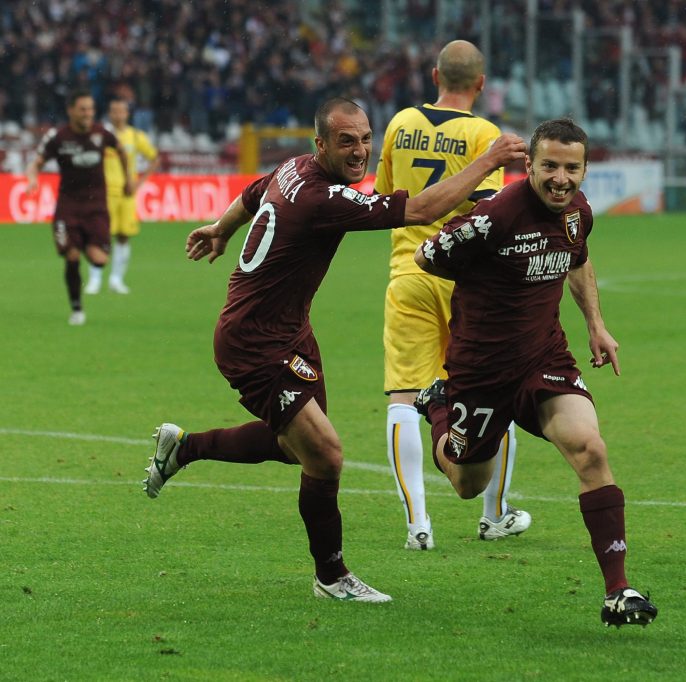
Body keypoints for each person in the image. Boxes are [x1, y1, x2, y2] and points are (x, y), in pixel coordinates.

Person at [142, 97, 525, 603]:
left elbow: (253, 193)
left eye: (366, 138)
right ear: (319, 143)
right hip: (254, 343)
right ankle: (332, 576)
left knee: (293, 446)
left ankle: (183, 448)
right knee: (325, 457)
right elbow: (425, 209)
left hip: (290, 331)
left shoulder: (293, 169)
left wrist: (220, 228)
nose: (360, 150)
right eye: (347, 141)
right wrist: (489, 160)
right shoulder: (323, 199)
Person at [412, 118, 658, 628]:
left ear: (585, 169)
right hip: (480, 369)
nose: (561, 179)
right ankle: (438, 407)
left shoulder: (578, 214)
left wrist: (596, 325)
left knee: (590, 449)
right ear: (531, 165)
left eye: (572, 168)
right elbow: (426, 254)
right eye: (550, 166)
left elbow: (578, 259)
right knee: (465, 481)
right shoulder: (497, 215)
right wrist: (482, 270)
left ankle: (619, 590)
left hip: (545, 358)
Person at [375, 39, 530, 551]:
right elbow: (489, 215)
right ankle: (495, 515)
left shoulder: (400, 124)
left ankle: (418, 524)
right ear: (481, 84)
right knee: (495, 392)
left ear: (434, 75)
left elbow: (385, 198)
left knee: (402, 398)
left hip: (408, 274)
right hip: (466, 283)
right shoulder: (485, 134)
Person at [25, 90, 133, 325]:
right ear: (71, 110)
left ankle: (81, 240)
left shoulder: (101, 134)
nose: (88, 114)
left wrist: (128, 179)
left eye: (91, 109)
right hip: (68, 207)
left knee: (99, 259)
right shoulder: (58, 137)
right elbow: (37, 162)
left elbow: (122, 152)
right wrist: (32, 178)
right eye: (83, 109)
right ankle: (76, 308)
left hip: (96, 208)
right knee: (71, 257)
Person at [85, 97, 161, 295]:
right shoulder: (100, 135)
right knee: (99, 235)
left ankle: (116, 279)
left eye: (121, 111)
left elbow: (154, 158)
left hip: (127, 194)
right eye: (114, 111)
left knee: (123, 236)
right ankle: (94, 279)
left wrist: (139, 182)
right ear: (109, 113)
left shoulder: (136, 137)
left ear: (127, 114)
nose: (118, 115)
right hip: (104, 194)